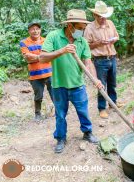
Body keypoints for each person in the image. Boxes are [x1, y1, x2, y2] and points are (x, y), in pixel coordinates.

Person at [39, 9, 103, 153]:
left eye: (84, 28)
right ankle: (61, 138)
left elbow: (88, 62)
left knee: (83, 111)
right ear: (70, 26)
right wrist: (62, 50)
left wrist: (95, 79)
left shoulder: (82, 41)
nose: (82, 31)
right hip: (58, 85)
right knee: (60, 114)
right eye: (80, 28)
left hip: (78, 85)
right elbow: (42, 57)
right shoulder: (54, 36)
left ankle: (87, 133)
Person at [84, 1, 119, 119]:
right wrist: (99, 43)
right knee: (101, 85)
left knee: (112, 83)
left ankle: (113, 103)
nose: (103, 19)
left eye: (105, 16)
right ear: (95, 15)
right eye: (101, 16)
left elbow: (117, 36)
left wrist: (113, 40)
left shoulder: (110, 23)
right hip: (99, 60)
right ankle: (102, 108)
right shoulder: (90, 27)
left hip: (112, 57)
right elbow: (86, 45)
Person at [20, 22, 53, 121]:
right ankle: (37, 114)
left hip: (49, 72)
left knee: (54, 93)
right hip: (35, 75)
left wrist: (35, 57)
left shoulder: (46, 40)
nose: (35, 31)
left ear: (40, 30)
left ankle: (59, 110)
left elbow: (50, 54)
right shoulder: (24, 42)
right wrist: (43, 57)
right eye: (32, 29)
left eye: (37, 29)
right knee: (38, 95)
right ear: (29, 31)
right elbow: (27, 58)